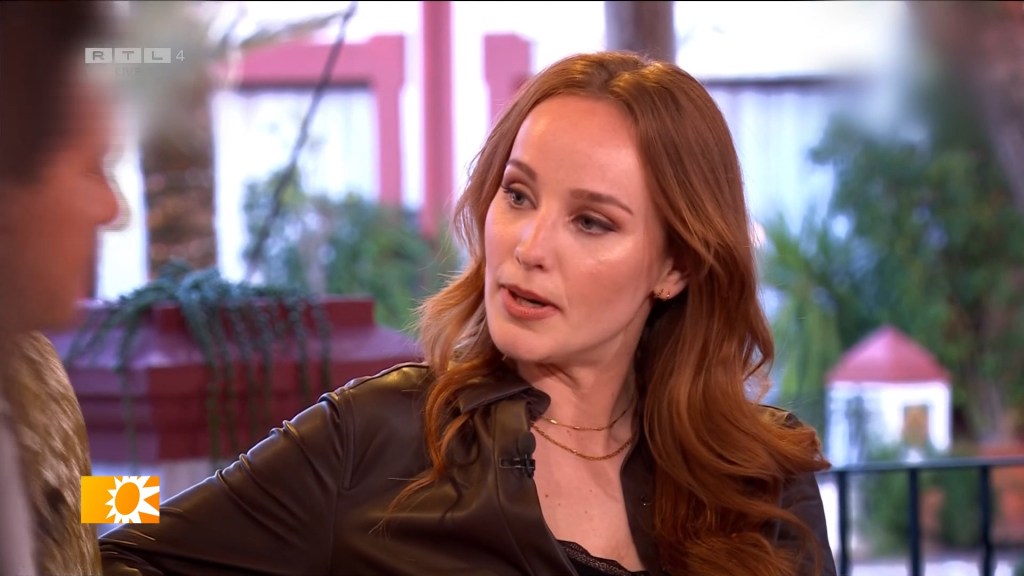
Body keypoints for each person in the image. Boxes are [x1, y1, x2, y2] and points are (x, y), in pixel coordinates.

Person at [99, 51, 835, 576]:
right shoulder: (375, 437)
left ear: (676, 267)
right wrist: (66, 488)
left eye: (591, 222)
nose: (529, 247)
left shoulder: (762, 479)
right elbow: (128, 529)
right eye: (518, 195)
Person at [0, 2, 121, 575]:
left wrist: (254, 489)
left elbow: (72, 503)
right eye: (92, 167)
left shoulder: (30, 364)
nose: (112, 209)